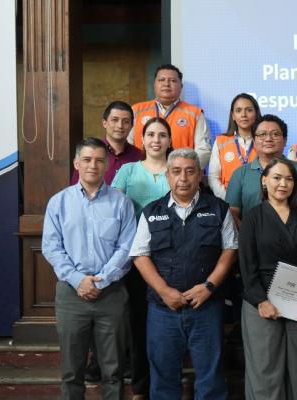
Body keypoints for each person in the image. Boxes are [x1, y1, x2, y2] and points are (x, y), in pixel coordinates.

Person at [129, 148, 238, 400]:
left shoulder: (219, 209)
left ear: (200, 175)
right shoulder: (151, 211)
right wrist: (164, 291)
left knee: (211, 379)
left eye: (190, 172)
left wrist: (209, 286)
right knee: (164, 379)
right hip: (163, 310)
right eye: (176, 172)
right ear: (167, 175)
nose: (183, 178)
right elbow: (140, 256)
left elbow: (230, 250)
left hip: (207, 308)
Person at [42, 137, 137, 400]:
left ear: (107, 165)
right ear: (76, 163)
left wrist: (102, 280)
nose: (92, 165)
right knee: (72, 371)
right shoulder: (58, 202)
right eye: (86, 159)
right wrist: (78, 280)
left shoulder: (121, 202)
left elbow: (126, 247)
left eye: (98, 160)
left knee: (113, 370)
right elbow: (52, 247)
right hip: (72, 295)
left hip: (112, 295)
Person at [238, 158, 297, 400]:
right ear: (264, 181)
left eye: (289, 179)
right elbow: (246, 263)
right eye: (276, 177)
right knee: (265, 368)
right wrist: (260, 300)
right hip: (261, 300)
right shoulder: (253, 216)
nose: (283, 184)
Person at [110, 117, 173, 399]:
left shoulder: (178, 170)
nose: (156, 140)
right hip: (136, 260)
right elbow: (113, 214)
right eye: (150, 134)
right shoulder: (127, 171)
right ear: (142, 139)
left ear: (170, 140)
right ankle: (140, 387)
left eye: (162, 135)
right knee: (139, 325)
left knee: (168, 326)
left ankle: (165, 386)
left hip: (172, 258)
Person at [226, 114, 297, 225]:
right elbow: (232, 214)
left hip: (293, 239)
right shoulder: (240, 174)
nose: (268, 139)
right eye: (262, 134)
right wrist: (248, 236)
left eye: (275, 134)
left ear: (285, 140)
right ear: (254, 141)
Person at [128, 64, 211, 168]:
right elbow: (127, 146)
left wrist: (184, 171)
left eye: (172, 81)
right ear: (154, 84)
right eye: (161, 80)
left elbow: (204, 150)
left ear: (181, 86)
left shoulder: (195, 114)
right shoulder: (136, 111)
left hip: (180, 178)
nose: (166, 84)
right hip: (142, 177)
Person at [70, 101, 142, 185]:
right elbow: (76, 191)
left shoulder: (140, 157)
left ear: (131, 126)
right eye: (114, 120)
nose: (120, 126)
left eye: (125, 121)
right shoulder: (88, 154)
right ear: (104, 123)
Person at [208, 93, 261, 200]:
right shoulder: (221, 141)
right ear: (233, 116)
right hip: (227, 201)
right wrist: (229, 199)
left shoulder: (264, 141)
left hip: (259, 202)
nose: (243, 115)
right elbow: (213, 178)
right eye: (238, 110)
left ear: (256, 114)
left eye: (249, 110)